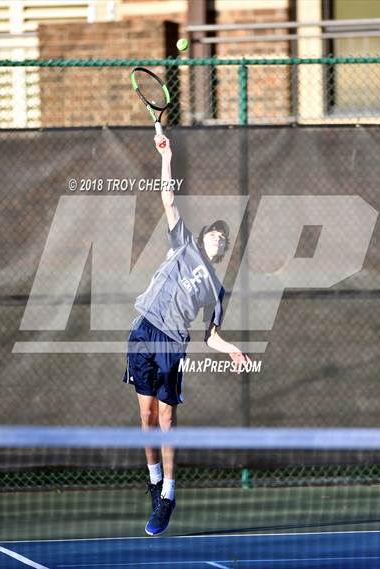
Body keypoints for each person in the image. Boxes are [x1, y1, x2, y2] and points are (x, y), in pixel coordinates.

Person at [124, 134, 251, 536]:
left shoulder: (217, 289)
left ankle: (169, 493)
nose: (220, 238)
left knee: (166, 416)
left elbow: (212, 334)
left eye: (225, 239)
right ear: (203, 236)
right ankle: (154, 480)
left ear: (224, 251)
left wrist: (231, 349)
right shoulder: (183, 244)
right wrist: (167, 157)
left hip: (172, 342)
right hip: (144, 329)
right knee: (144, 415)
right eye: (216, 232)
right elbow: (168, 198)